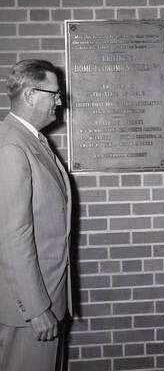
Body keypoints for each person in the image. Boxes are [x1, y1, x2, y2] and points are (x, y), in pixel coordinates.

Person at [0, 59, 72, 371]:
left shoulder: (32, 139)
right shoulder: (12, 147)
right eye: (54, 94)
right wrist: (36, 307)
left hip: (47, 295)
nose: (60, 100)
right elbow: (13, 236)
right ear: (30, 95)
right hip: (31, 307)